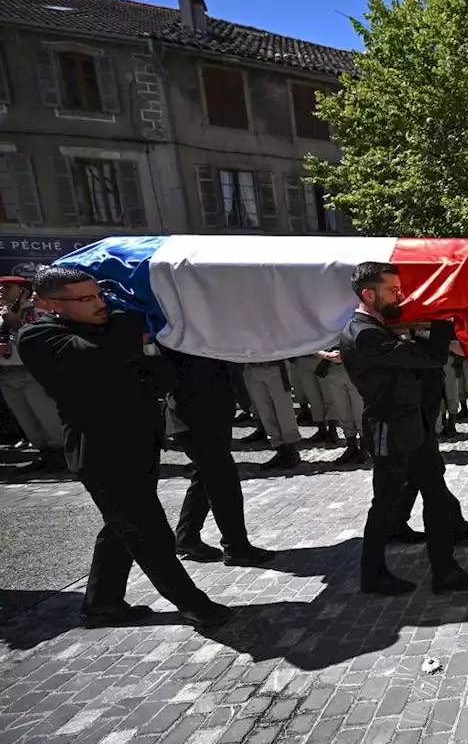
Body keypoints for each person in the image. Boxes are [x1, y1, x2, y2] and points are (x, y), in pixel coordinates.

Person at [19, 266, 231, 628]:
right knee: (148, 530)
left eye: (100, 294)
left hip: (139, 441)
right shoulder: (39, 336)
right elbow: (97, 354)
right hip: (101, 450)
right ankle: (193, 604)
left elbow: (162, 375)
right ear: (49, 303)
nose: (101, 303)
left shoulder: (110, 329)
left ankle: (102, 603)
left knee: (121, 526)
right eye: (87, 299)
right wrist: (129, 323)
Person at [339, 262, 468, 596]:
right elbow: (429, 357)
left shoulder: (375, 327)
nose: (400, 296)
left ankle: (444, 570)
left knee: (433, 493)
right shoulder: (365, 335)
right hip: (390, 430)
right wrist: (442, 320)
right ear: (368, 293)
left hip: (409, 425)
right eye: (393, 291)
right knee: (386, 504)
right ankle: (372, 573)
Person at [166, 349, 276, 566]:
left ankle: (187, 537)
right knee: (223, 480)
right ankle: (236, 548)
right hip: (195, 417)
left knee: (206, 474)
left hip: (210, 413)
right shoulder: (183, 336)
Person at [394, 332, 468, 545]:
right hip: (413, 408)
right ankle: (450, 528)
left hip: (423, 405)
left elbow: (452, 345)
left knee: (418, 472)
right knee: (428, 470)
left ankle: (395, 523)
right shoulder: (406, 332)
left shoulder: (424, 328)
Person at [0, 275, 65, 472]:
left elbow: (42, 339)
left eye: (7, 287)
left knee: (46, 415)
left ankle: (61, 454)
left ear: (24, 292)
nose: (1, 290)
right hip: (6, 373)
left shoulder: (37, 312)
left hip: (32, 372)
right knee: (25, 418)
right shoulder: (1, 313)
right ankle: (44, 453)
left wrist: (16, 324)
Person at [242, 360, 302, 470]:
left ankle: (292, 451)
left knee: (283, 410)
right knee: (265, 411)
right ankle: (280, 449)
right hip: (253, 367)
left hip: (276, 366)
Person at [315, 345, 365, 464]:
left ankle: (365, 448)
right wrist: (327, 355)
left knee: (360, 410)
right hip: (334, 369)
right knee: (343, 411)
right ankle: (351, 446)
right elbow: (310, 346)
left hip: (355, 366)